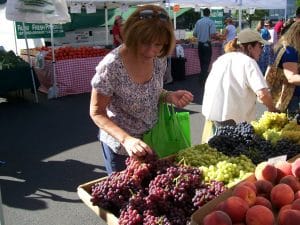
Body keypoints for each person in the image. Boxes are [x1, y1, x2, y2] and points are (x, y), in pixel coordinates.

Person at [89, 4, 194, 175]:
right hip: (121, 148)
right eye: (145, 43)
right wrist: (127, 140)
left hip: (153, 139)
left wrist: (169, 96)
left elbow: (152, 91)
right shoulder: (111, 66)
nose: (151, 51)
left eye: (158, 45)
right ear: (132, 35)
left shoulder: (159, 59)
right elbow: (96, 112)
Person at [202, 28, 277, 137]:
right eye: (260, 46)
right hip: (235, 122)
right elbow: (263, 94)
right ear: (250, 47)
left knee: (217, 149)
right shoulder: (248, 62)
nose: (262, 50)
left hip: (213, 117)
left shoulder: (222, 59)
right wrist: (272, 109)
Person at [273, 22, 300, 113]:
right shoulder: (290, 51)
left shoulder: (285, 47)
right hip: (292, 99)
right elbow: (291, 77)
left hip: (289, 97)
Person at [193, 7, 217, 82]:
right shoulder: (211, 22)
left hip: (200, 44)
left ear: (203, 13)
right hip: (207, 44)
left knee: (202, 61)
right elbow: (213, 35)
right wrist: (217, 37)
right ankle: (203, 78)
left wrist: (201, 35)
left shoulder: (198, 22)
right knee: (206, 62)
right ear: (209, 14)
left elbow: (194, 34)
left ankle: (202, 78)